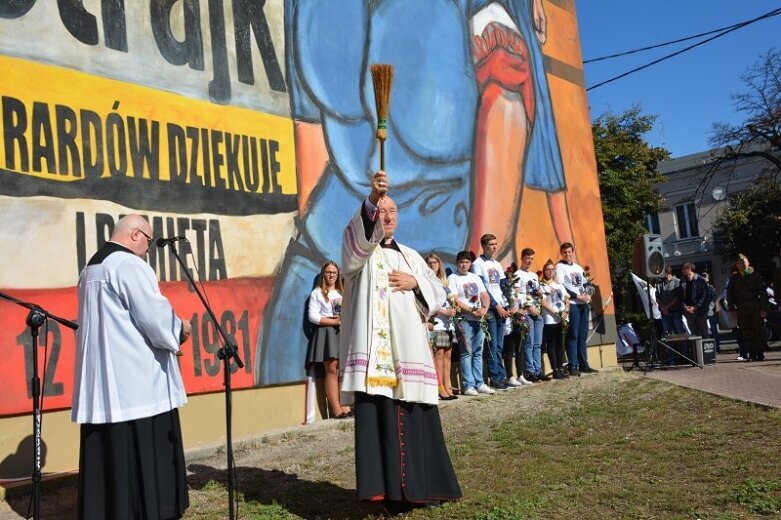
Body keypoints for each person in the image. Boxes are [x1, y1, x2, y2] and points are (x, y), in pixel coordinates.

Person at [339, 171, 462, 514]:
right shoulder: (360, 253)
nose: (388, 216)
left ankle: (424, 488)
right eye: (383, 211)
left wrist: (415, 283)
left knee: (417, 417)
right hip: (377, 361)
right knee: (381, 417)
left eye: (393, 211)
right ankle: (387, 493)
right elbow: (352, 249)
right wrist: (371, 200)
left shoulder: (411, 256)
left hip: (410, 354)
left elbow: (439, 294)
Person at [71, 214, 191, 520]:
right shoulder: (129, 265)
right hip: (136, 382)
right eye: (148, 242)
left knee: (110, 453)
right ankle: (151, 509)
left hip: (103, 381)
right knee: (142, 452)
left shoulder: (90, 269)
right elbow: (153, 317)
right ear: (135, 234)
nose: (148, 249)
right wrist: (179, 329)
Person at [307, 261, 351, 418]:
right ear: (323, 274)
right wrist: (333, 321)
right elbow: (312, 316)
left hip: (342, 332)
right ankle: (336, 409)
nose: (331, 275)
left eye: (334, 272)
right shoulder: (317, 293)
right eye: (328, 272)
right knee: (332, 370)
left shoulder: (342, 292)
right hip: (327, 333)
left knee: (342, 371)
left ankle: (345, 406)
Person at [449, 251, 493, 396]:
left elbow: (484, 295)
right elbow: (455, 299)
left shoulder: (475, 277)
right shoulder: (453, 278)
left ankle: (479, 383)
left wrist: (484, 308)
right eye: (461, 262)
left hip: (478, 319)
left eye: (467, 262)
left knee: (477, 352)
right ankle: (468, 386)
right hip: (464, 320)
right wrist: (470, 310)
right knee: (466, 353)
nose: (464, 264)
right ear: (457, 263)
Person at [472, 234, 511, 389]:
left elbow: (503, 285)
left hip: (502, 307)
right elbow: (484, 289)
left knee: (499, 345)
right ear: (483, 246)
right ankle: (494, 378)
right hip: (491, 309)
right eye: (491, 244)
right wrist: (496, 306)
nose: (495, 247)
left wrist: (510, 303)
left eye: (496, 244)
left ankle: (501, 375)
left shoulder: (496, 264)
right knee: (492, 345)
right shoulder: (478, 264)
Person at [555, 242, 597, 376]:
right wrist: (577, 295)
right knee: (573, 335)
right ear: (561, 253)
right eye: (565, 252)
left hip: (583, 305)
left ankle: (584, 364)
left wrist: (589, 293)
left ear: (573, 252)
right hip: (572, 304)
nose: (568, 254)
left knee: (582, 335)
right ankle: (573, 365)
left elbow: (587, 284)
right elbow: (562, 288)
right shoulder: (560, 267)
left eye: (569, 252)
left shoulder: (578, 268)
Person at [425, 254, 459, 400]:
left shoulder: (444, 281)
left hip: (448, 324)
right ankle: (440, 388)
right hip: (438, 323)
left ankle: (448, 385)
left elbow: (450, 299)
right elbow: (429, 303)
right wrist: (445, 311)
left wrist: (454, 307)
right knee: (439, 355)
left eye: (435, 262)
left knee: (448, 355)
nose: (433, 265)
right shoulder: (427, 281)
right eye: (430, 262)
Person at [727, 254, 769, 362]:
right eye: (738, 263)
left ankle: (760, 353)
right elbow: (730, 295)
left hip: (755, 307)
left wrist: (764, 309)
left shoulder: (755, 276)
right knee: (746, 332)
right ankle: (751, 354)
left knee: (758, 331)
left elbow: (763, 293)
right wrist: (732, 309)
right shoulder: (734, 278)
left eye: (743, 262)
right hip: (742, 309)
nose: (741, 265)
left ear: (748, 263)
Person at [515, 248, 546, 382]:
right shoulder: (518, 274)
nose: (530, 261)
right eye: (527, 258)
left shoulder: (534, 275)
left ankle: (538, 370)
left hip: (537, 312)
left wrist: (540, 293)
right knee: (529, 343)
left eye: (532, 259)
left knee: (538, 344)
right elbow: (517, 294)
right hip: (526, 312)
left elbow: (538, 292)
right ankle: (530, 371)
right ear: (522, 258)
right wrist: (529, 306)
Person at [539, 259, 569, 379]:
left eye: (552, 269)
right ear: (544, 271)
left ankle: (561, 368)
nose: (550, 272)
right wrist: (557, 313)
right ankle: (555, 369)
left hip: (562, 319)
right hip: (550, 319)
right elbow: (543, 302)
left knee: (560, 345)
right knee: (551, 345)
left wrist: (566, 311)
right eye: (548, 270)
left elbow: (567, 299)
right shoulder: (542, 285)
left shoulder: (559, 284)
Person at [680, 263, 710, 339]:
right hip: (688, 312)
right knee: (694, 335)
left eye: (683, 269)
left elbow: (705, 295)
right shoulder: (683, 282)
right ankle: (697, 350)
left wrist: (696, 307)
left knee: (704, 334)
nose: (682, 271)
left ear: (689, 269)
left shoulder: (700, 280)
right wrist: (685, 306)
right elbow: (680, 296)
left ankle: (706, 350)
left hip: (700, 312)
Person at [657, 266, 687, 335]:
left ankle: (683, 346)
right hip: (664, 314)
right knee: (667, 334)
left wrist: (667, 307)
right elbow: (657, 297)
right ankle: (671, 346)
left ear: (667, 273)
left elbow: (678, 297)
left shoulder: (677, 281)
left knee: (680, 332)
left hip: (675, 312)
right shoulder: (660, 284)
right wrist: (663, 308)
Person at [701, 272, 721, 352]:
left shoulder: (711, 288)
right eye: (702, 277)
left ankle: (717, 348)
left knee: (714, 331)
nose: (704, 278)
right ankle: (708, 349)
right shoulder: (699, 288)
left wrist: (709, 308)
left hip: (710, 313)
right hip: (702, 313)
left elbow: (713, 300)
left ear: (708, 279)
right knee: (705, 331)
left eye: (705, 277)